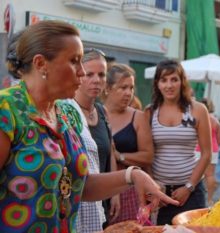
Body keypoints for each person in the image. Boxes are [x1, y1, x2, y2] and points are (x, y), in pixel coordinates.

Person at [0, 20, 178, 233]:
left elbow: (79, 185)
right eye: (74, 61)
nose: (82, 72)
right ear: (41, 64)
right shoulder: (7, 110)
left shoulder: (66, 114)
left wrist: (132, 175)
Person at [145, 59, 212, 225]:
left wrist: (188, 187)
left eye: (174, 79)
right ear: (157, 84)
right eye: (164, 80)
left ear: (182, 82)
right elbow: (146, 155)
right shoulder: (149, 112)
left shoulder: (197, 109)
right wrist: (153, 189)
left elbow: (206, 154)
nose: (169, 85)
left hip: (192, 191)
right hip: (160, 194)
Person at [65, 47, 119, 232]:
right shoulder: (66, 110)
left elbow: (108, 151)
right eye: (89, 74)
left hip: (100, 199)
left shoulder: (102, 112)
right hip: (76, 201)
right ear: (78, 74)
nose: (96, 80)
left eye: (102, 74)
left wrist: (115, 193)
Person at [104, 63, 154, 224]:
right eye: (122, 87)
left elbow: (148, 156)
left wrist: (120, 156)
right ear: (108, 88)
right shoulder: (95, 114)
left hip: (130, 189)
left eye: (131, 88)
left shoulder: (138, 117)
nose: (128, 93)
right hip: (101, 188)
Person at [195, 98, 220, 206]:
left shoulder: (197, 118)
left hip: (198, 148)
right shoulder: (215, 121)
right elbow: (219, 139)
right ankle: (210, 200)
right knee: (210, 175)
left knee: (196, 174)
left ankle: (196, 196)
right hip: (212, 149)